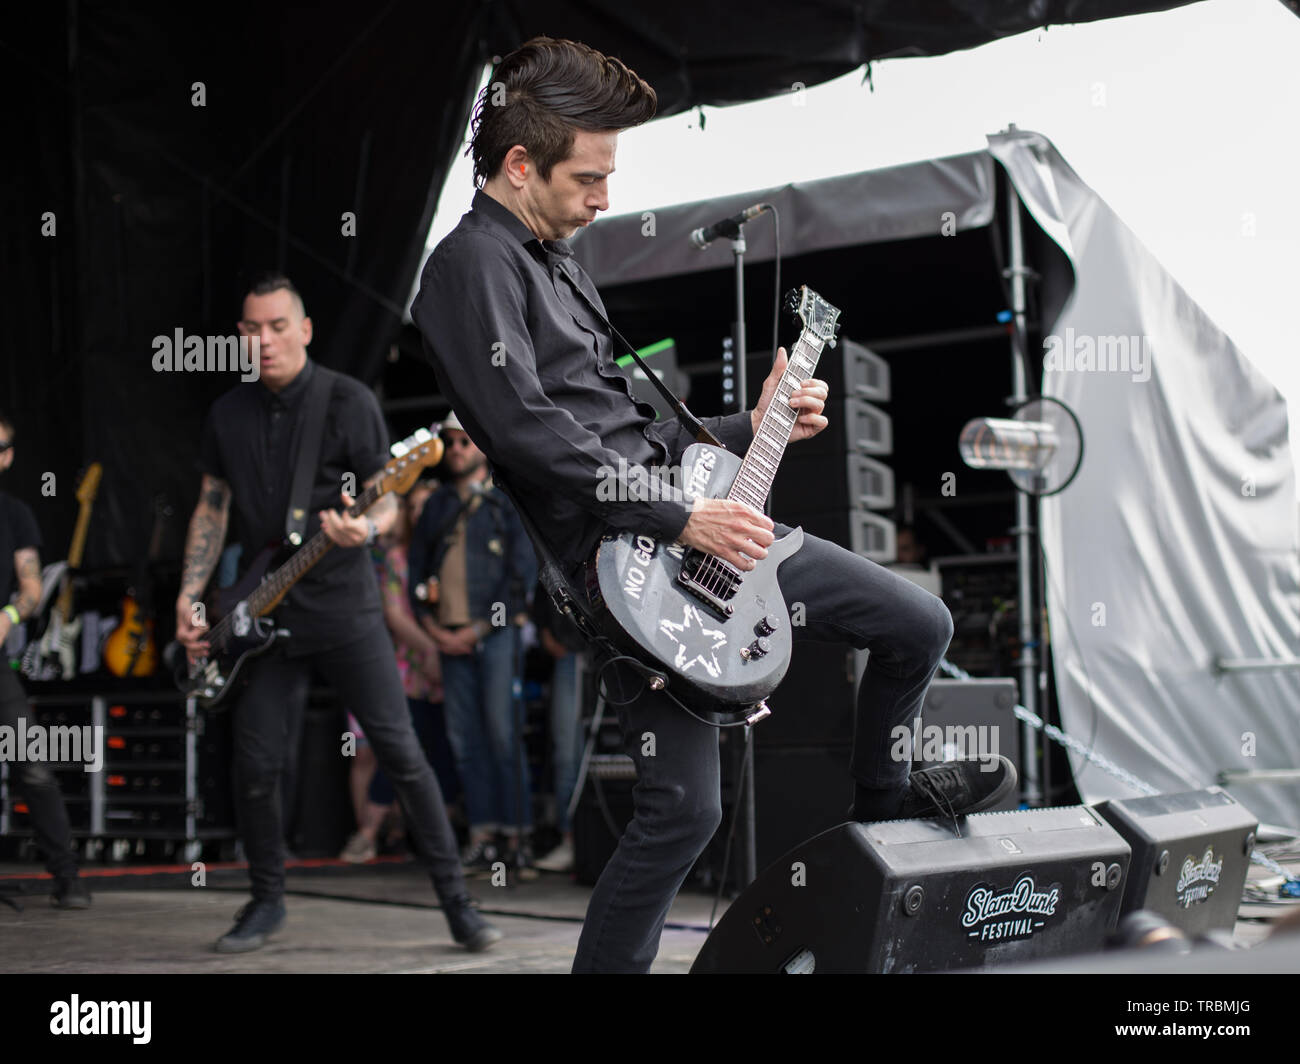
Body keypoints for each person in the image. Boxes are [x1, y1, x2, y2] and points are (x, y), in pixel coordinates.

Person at [411, 37, 1014, 973]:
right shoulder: (467, 267)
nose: (605, 198)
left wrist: (757, 419)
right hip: (628, 570)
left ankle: (884, 805)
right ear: (519, 166)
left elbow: (642, 431)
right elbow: (523, 428)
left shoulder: (557, 257)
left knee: (918, 623)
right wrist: (679, 517)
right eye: (589, 177)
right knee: (684, 814)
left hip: (686, 525)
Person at [174, 273, 500, 953]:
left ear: (304, 329)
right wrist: (189, 593)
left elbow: (384, 492)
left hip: (345, 607)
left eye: (277, 327)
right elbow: (212, 506)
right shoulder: (226, 415)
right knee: (256, 764)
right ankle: (265, 901)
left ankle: (460, 905)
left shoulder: (347, 401)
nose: (264, 341)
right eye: (252, 329)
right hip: (262, 614)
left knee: (402, 752)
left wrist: (371, 528)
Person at [407, 413, 536, 875]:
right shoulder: (437, 505)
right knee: (465, 738)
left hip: (494, 635)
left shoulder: (506, 501)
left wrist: (477, 630)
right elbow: (415, 572)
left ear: (481, 445)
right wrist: (434, 629)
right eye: (451, 442)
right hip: (448, 637)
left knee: (503, 733)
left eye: (465, 440)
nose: (457, 449)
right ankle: (482, 834)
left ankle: (517, 837)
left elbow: (523, 574)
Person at [0, 409, 91, 908]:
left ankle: (68, 876)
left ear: (8, 457)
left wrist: (10, 612)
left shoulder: (15, 514)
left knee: (31, 761)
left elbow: (32, 585)